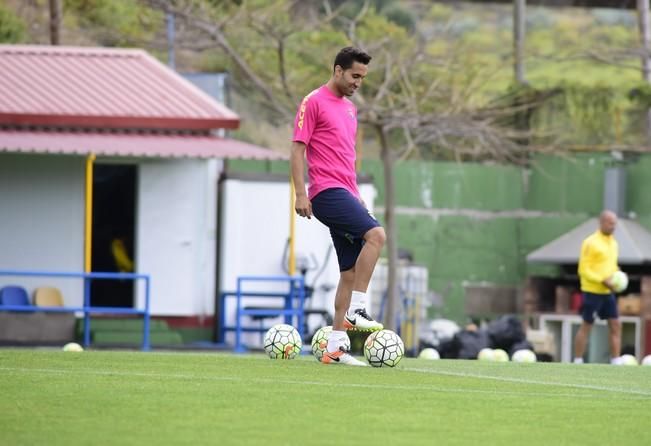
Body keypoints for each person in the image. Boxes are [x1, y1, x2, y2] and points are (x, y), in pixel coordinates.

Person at [290, 47, 386, 366]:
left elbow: (347, 157)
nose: (358, 82)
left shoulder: (350, 110)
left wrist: (356, 194)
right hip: (326, 193)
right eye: (355, 76)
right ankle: (357, 309)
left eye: (363, 78)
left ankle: (334, 347)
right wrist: (300, 194)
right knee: (377, 236)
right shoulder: (313, 101)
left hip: (345, 192)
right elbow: (297, 149)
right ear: (337, 71)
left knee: (348, 271)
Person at [574, 210, 622, 365]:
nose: (613, 226)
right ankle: (578, 360)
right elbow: (583, 269)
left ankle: (616, 361)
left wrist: (618, 275)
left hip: (608, 292)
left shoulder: (614, 243)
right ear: (601, 222)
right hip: (592, 291)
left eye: (615, 223)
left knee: (615, 324)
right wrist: (601, 280)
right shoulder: (590, 242)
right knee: (587, 324)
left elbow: (611, 266)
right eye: (610, 223)